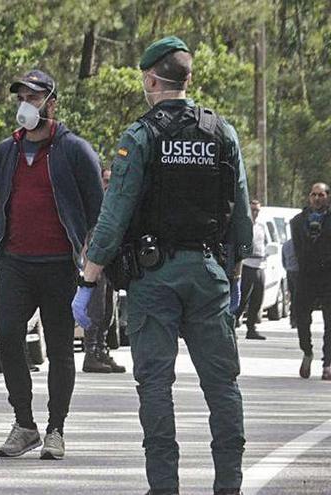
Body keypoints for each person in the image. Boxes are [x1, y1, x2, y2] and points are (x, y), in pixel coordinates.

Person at [73, 36, 251, 495]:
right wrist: (231, 275)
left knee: (155, 384)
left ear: (152, 79)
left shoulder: (141, 135)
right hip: (209, 273)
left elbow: (114, 216)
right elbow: (242, 217)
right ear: (187, 79)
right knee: (222, 382)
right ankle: (229, 483)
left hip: (154, 278)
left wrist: (88, 279)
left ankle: (164, 486)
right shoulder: (221, 132)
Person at [0, 69, 103, 460]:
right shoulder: (7, 150)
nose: (26, 104)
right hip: (15, 264)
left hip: (59, 265)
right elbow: (0, 199)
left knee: (59, 349)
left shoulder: (75, 150)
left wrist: (91, 264)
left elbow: (97, 211)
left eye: (34, 97)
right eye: (21, 96)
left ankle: (57, 428)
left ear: (52, 102)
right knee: (6, 336)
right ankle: (24, 424)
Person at [82, 169, 126, 374]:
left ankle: (101, 349)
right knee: (96, 307)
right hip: (94, 257)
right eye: (106, 181)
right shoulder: (93, 202)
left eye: (111, 181)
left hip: (112, 259)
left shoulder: (117, 201)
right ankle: (90, 353)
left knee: (110, 306)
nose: (109, 185)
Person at [290, 182, 331, 380]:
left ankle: (328, 363)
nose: (317, 198)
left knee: (330, 321)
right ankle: (307, 351)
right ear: (309, 197)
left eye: (321, 195)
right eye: (314, 195)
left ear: (328, 197)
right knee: (301, 317)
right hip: (306, 276)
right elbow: (297, 250)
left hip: (328, 276)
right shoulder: (297, 222)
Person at [235, 199, 267, 340]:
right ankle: (234, 324)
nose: (255, 212)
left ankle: (251, 328)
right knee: (242, 298)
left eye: (257, 210)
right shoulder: (243, 225)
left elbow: (264, 244)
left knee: (257, 299)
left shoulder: (261, 226)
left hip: (260, 265)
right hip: (246, 265)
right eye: (252, 209)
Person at [281, 237, 298, 329]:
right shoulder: (299, 243)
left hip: (289, 272)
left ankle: (293, 319)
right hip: (298, 272)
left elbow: (283, 261)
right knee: (298, 297)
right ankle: (295, 319)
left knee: (293, 297)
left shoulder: (286, 244)